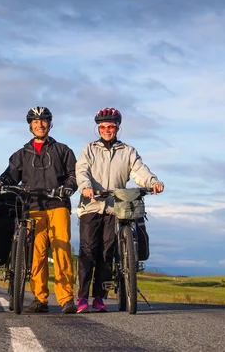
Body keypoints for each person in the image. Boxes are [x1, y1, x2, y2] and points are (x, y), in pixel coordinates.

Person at [0, 106, 78, 314]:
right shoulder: (22, 154)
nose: (40, 124)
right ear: (30, 126)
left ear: (49, 123)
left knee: (61, 250)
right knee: (36, 254)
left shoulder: (62, 150)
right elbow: (10, 175)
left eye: (43, 120)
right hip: (33, 207)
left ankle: (66, 298)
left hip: (58, 205)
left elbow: (74, 174)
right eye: (35, 122)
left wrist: (68, 187)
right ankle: (39, 298)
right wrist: (0, 182)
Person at [75, 107, 164, 313]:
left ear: (117, 128)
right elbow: (82, 170)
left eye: (111, 126)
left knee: (107, 252)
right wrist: (86, 187)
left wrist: (153, 182)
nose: (107, 130)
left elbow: (139, 170)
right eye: (103, 126)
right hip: (91, 205)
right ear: (98, 128)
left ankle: (99, 297)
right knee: (88, 252)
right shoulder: (89, 149)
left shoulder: (128, 151)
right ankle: (82, 298)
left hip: (115, 207)